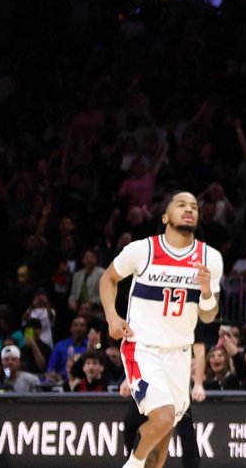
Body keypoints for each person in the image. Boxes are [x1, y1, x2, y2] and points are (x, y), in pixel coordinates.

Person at [99, 191, 223, 468]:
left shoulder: (210, 258)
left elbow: (209, 314)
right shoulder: (143, 250)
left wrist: (205, 292)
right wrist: (112, 317)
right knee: (164, 416)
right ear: (165, 216)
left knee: (162, 439)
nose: (189, 209)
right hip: (143, 348)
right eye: (181, 204)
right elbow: (108, 278)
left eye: (194, 206)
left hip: (179, 356)